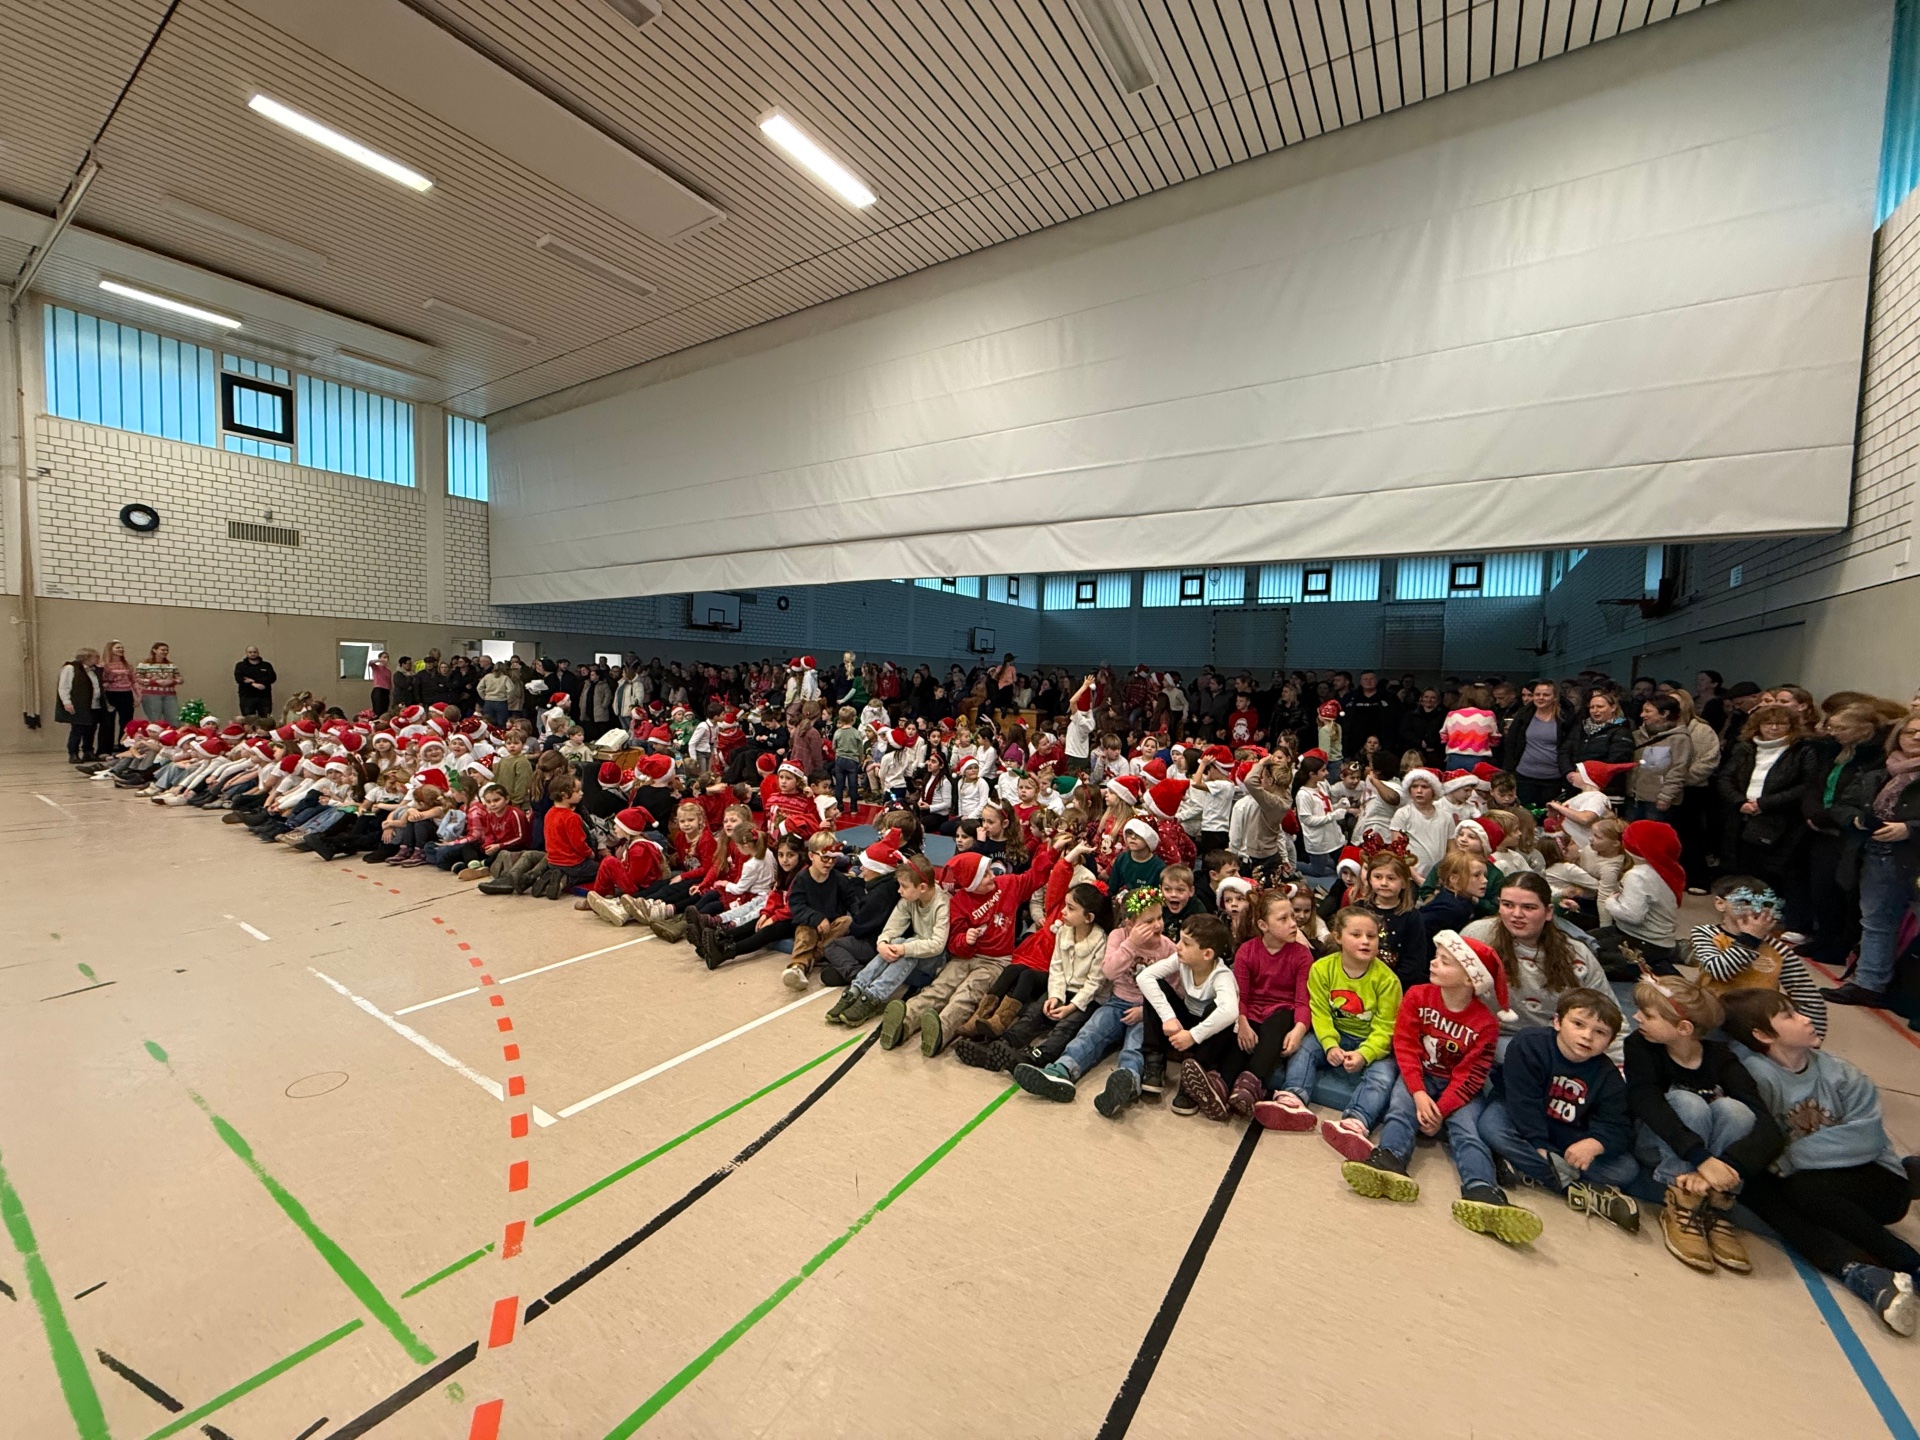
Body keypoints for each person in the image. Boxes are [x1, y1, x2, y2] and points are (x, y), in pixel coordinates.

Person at [1721, 990, 1919, 1335]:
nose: (1806, 1019)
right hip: (1814, 1191)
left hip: (1881, 1185)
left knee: (1801, 1188)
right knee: (1756, 1189)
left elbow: (1868, 1138)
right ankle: (1857, 1272)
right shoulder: (1756, 1074)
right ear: (1762, 1035)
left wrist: (1790, 1158)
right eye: (1790, 1016)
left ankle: (1908, 1261)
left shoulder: (1842, 1074)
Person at [1340, 929, 1543, 1245]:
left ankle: (1482, 1190)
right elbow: (1405, 1046)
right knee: (1400, 1109)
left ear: (1470, 980)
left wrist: (1442, 1109)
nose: (1433, 963)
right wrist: (1419, 1093)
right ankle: (1389, 1159)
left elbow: (1472, 1075)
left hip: (1458, 1089)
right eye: (1437, 957)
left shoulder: (1485, 1022)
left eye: (1445, 962)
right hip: (1419, 1077)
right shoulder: (1417, 996)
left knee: (1469, 1130)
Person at [1624, 978, 1778, 1275]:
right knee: (1688, 1102)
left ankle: (1716, 1201)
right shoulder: (1639, 1046)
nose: (1636, 1017)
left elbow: (1767, 1126)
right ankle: (1682, 1199)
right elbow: (1647, 1103)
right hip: (1658, 1145)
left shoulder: (1722, 1057)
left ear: (1684, 1028)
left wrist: (1726, 1166)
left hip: (1709, 1163)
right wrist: (1701, 1158)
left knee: (1737, 1111)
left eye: (1648, 1015)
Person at [1478, 989, 1641, 1233]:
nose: (1587, 1036)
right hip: (1521, 1120)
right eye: (1578, 1024)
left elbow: (1617, 1126)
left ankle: (1523, 1168)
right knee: (1491, 1126)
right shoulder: (1529, 1044)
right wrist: (1538, 1143)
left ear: (1610, 1041)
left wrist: (1595, 1144)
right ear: (1557, 1022)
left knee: (1627, 1170)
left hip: (1569, 1138)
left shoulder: (1609, 1077)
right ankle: (1574, 1189)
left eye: (1600, 1032)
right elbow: (1523, 1102)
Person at [1463, 873, 1614, 1061]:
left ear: (1548, 911)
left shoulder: (1576, 954)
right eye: (1508, 905)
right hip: (1491, 1038)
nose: (1516, 914)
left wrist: (1617, 1065)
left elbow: (1608, 1011)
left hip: (1557, 1042)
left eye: (1528, 907)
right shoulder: (1476, 937)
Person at [1827, 712, 1920, 1008]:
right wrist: (1857, 820)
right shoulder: (1879, 772)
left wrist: (1909, 828)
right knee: (1876, 922)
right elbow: (1842, 805)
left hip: (1914, 857)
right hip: (1877, 855)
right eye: (1910, 732)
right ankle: (1869, 985)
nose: (1916, 737)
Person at [1301, 909, 1404, 1162]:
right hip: (1335, 1034)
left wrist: (1365, 1054)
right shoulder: (1322, 969)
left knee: (1383, 1076)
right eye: (1356, 935)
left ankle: (1356, 1121)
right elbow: (1320, 1012)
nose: (1365, 941)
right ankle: (1293, 1097)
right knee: (1305, 1048)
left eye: (1372, 936)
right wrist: (1329, 1044)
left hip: (1372, 1043)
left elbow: (1386, 1027)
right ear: (1338, 937)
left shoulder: (1388, 980)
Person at [1131, 914, 1242, 1120]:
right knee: (1157, 989)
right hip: (1187, 1021)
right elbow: (1144, 977)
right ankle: (1154, 1063)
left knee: (1216, 1008)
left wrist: (1193, 1036)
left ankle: (1194, 1080)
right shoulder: (1181, 960)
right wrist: (1168, 1017)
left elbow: (1230, 1011)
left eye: (1186, 943)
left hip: (1207, 1034)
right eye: (1180, 940)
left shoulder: (1222, 976)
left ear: (1207, 954)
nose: (1178, 946)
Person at [825, 855, 949, 1026]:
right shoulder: (909, 900)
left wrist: (904, 949)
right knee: (897, 941)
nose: (899, 891)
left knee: (906, 946)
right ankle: (856, 989)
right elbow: (892, 927)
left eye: (904, 886)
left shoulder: (942, 904)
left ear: (922, 887)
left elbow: (937, 945)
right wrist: (882, 944)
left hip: (933, 962)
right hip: (913, 952)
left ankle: (873, 997)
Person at [1500, 679, 1569, 807]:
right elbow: (1511, 744)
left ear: (1555, 697)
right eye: (1537, 694)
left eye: (1546, 695)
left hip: (1553, 778)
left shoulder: (1565, 718)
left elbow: (1569, 747)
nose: (1541, 698)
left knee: (1548, 815)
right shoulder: (1524, 715)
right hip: (1524, 775)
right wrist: (1508, 770)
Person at [56, 647, 103, 764]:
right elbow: (64, 686)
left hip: (94, 704)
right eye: (95, 657)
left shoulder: (94, 670)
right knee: (77, 730)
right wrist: (66, 702)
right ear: (86, 657)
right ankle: (73, 753)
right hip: (79, 704)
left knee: (91, 729)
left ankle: (88, 752)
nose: (98, 659)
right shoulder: (70, 668)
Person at [96, 640, 136, 753]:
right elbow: (100, 681)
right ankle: (104, 749)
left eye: (122, 648)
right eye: (118, 648)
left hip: (126, 693)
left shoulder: (127, 665)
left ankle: (124, 747)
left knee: (126, 722)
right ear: (110, 650)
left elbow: (133, 680)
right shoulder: (103, 665)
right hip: (111, 694)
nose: (121, 650)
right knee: (108, 722)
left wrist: (137, 696)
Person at [134, 642, 181, 722]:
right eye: (162, 650)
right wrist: (154, 681)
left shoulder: (171, 665)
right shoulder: (144, 665)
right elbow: (137, 678)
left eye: (167, 650)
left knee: (174, 718)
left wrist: (172, 681)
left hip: (170, 695)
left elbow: (179, 678)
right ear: (154, 650)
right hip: (151, 695)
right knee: (155, 719)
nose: (165, 652)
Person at [234, 646, 276, 716]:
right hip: (247, 697)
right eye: (250, 652)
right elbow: (239, 679)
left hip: (264, 697)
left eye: (254, 652)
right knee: (248, 718)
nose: (253, 654)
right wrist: (253, 684)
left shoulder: (266, 665)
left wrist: (254, 680)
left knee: (265, 718)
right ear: (246, 653)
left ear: (258, 653)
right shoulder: (241, 666)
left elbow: (272, 678)